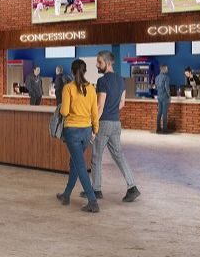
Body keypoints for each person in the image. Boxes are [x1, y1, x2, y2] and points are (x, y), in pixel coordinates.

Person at [88, 51, 140, 202]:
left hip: (103, 123)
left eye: (99, 63)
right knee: (119, 156)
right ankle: (133, 187)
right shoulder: (121, 80)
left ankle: (96, 190)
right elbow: (122, 103)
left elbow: (100, 106)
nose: (97, 65)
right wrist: (112, 112)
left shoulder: (102, 81)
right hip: (116, 123)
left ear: (108, 63)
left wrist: (93, 127)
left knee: (96, 157)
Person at [56, 59, 100, 213]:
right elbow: (95, 112)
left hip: (72, 131)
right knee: (75, 162)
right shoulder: (92, 89)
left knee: (79, 165)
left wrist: (61, 107)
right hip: (87, 131)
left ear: (72, 71)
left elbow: (65, 112)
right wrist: (95, 129)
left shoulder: (68, 88)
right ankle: (66, 195)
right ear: (85, 71)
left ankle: (92, 201)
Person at [155, 66, 171, 133]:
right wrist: (169, 96)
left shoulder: (157, 77)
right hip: (165, 97)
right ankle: (164, 129)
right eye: (167, 68)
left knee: (159, 112)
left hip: (159, 97)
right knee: (164, 113)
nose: (167, 70)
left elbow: (156, 87)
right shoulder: (166, 77)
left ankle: (158, 128)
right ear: (164, 69)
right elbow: (167, 88)